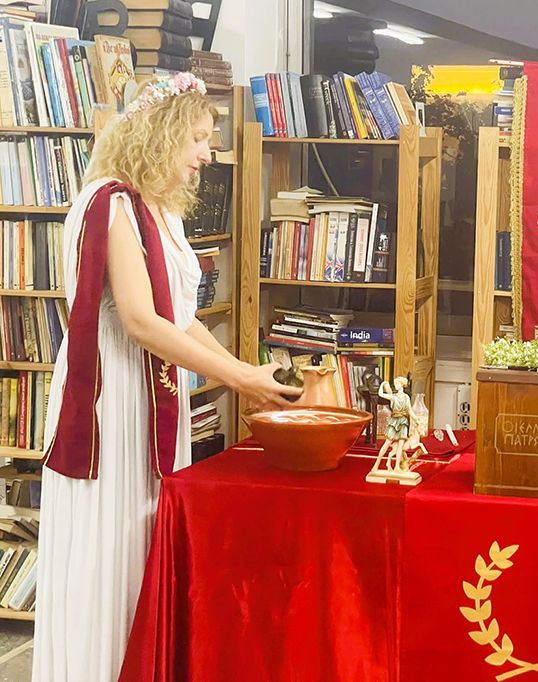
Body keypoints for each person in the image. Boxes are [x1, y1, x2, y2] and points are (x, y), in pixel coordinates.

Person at [32, 73, 304, 682]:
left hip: (152, 392)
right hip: (112, 400)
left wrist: (245, 371)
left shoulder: (159, 209)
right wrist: (239, 381)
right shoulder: (111, 204)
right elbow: (140, 322)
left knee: (146, 537)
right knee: (112, 543)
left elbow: (182, 319)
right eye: (199, 138)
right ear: (161, 133)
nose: (208, 153)